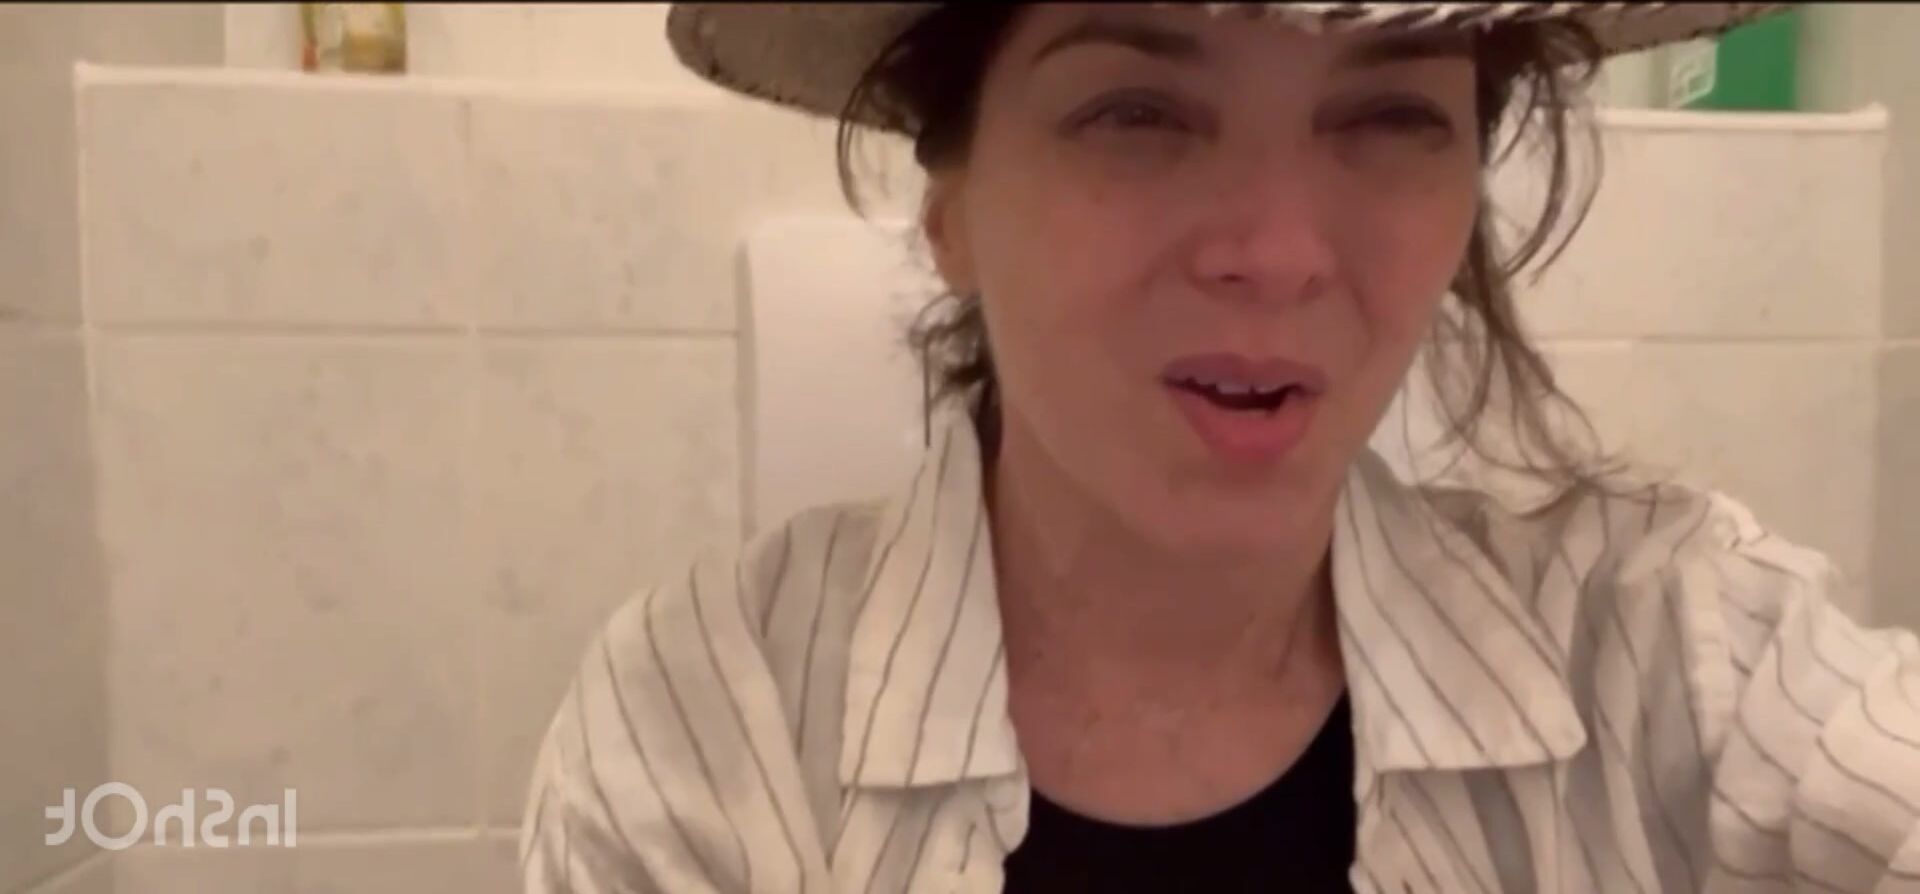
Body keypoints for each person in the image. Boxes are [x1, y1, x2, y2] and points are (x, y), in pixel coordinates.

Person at [518, 3, 1920, 891]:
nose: (1280, 252)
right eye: (1136, 113)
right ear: (950, 210)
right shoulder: (708, 731)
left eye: (1389, 116)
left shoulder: (1666, 653)